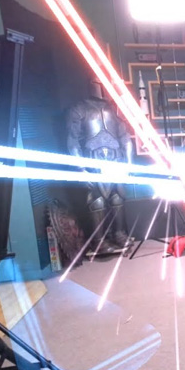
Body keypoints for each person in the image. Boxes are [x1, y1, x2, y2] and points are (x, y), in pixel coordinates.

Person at [66, 76, 134, 256]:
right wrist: (81, 169)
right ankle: (99, 240)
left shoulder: (114, 109)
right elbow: (73, 141)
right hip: (94, 160)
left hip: (115, 160)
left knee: (118, 198)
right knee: (97, 201)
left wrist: (128, 165)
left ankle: (119, 233)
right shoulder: (79, 109)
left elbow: (125, 138)